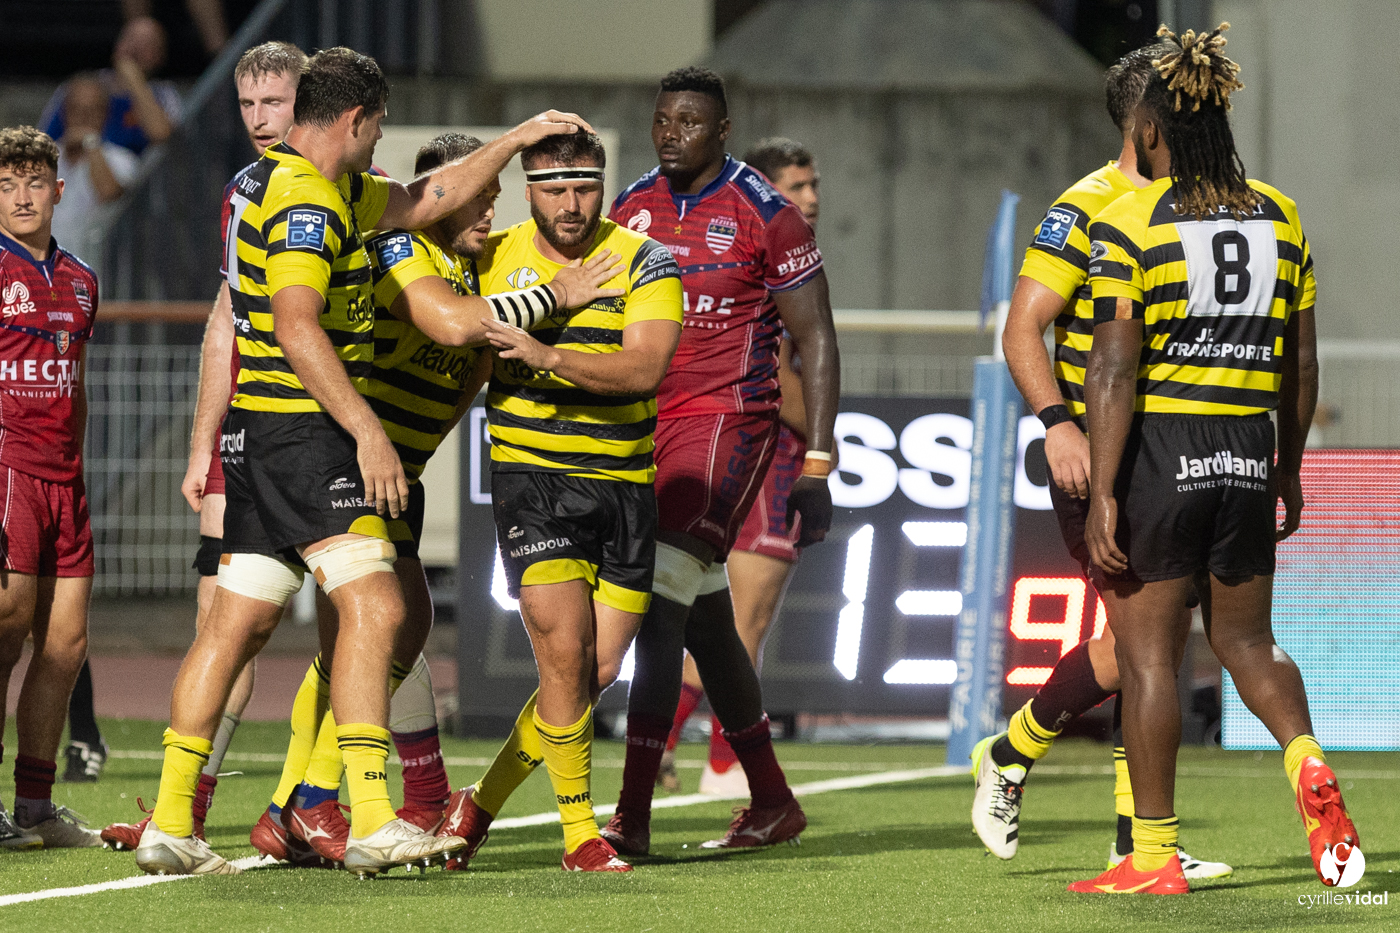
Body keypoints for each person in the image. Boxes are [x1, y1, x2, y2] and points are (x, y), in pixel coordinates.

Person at [133, 46, 594, 878]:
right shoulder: (306, 198)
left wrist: (519, 134)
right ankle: (369, 812)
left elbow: (430, 194)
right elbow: (300, 322)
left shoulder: (328, 184)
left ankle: (173, 817)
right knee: (378, 610)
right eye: (377, 123)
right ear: (356, 119)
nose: (380, 138)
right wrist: (367, 431)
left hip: (264, 436)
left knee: (239, 621)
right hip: (307, 431)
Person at [244, 131, 625, 868]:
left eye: (492, 194)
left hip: (389, 472)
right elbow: (453, 327)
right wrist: (565, 293)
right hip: (338, 457)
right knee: (311, 620)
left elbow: (471, 368)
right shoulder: (399, 248)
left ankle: (298, 801)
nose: (488, 206)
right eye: (473, 195)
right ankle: (296, 799)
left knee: (391, 629)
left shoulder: (473, 271)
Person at [1071, 24, 1357, 894]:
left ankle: (1154, 857)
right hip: (1246, 446)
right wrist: (1291, 463)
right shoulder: (1282, 213)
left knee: (1152, 655)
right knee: (1247, 639)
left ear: (1152, 130)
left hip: (1163, 450)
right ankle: (1305, 757)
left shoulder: (1129, 219)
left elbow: (1115, 367)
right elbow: (1300, 363)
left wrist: (1105, 494)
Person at [973, 42, 1231, 881]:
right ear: (1146, 119)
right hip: (1104, 460)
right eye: (1186, 104)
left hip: (1179, 456)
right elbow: (1021, 328)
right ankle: (1017, 755)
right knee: (1140, 642)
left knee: (1155, 643)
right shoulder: (1086, 205)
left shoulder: (1201, 206)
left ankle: (1128, 836)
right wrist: (1059, 423)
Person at [601, 67, 839, 854]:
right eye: (662, 118)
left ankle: (631, 813)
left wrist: (819, 464)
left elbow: (817, 339)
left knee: (658, 608)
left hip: (726, 425)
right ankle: (771, 798)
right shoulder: (631, 206)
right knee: (707, 615)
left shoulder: (766, 216)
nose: (671, 132)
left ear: (723, 130)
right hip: (647, 422)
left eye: (689, 122)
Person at [432, 131, 683, 873]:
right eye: (554, 189)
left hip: (626, 487)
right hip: (532, 482)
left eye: (585, 187)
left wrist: (546, 354)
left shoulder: (647, 259)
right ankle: (580, 835)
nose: (571, 204)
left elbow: (645, 369)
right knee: (564, 654)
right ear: (528, 188)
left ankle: (477, 804)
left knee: (594, 671)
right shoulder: (492, 255)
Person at [98, 41, 307, 846]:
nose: (259, 120)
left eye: (275, 103)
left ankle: (334, 795)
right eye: (248, 106)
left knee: (369, 612)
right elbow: (226, 318)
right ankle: (182, 803)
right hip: (249, 432)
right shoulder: (243, 193)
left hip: (321, 434)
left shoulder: (347, 188)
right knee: (221, 617)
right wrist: (200, 445)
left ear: (309, 101)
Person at [658, 137, 822, 796]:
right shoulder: (764, 249)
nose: (809, 198)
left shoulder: (771, 250)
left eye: (814, 185)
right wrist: (824, 435)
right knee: (740, 623)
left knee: (725, 620)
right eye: (796, 186)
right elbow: (779, 369)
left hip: (749, 448)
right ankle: (725, 768)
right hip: (762, 453)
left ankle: (677, 746)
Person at [0, 126, 103, 850]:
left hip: (66, 481)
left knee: (64, 644)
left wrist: (77, 464)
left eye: (34, 181)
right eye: (6, 184)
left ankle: (34, 806)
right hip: (7, 470)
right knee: (4, 630)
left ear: (58, 190)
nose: (22, 195)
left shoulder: (82, 279)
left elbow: (79, 387)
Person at [40, 17, 181, 157]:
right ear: (118, 44)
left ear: (160, 56)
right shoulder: (81, 87)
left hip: (136, 174)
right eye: (131, 39)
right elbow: (43, 142)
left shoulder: (165, 94)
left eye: (147, 44)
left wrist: (133, 79)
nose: (135, 49)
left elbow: (162, 136)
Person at [47, 75, 140, 261]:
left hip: (92, 273)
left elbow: (108, 192)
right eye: (76, 110)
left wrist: (90, 142)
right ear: (64, 112)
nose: (83, 118)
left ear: (105, 115)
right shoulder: (42, 157)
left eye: (92, 111)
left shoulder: (122, 159)